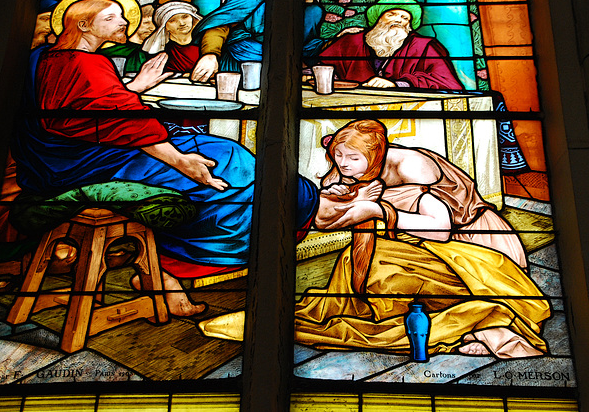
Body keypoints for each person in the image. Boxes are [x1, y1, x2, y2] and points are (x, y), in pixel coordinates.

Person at [11, 0, 318, 315]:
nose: (124, 22)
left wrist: (135, 89)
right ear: (84, 25)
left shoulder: (45, 57)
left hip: (66, 161)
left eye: (123, 16)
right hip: (93, 164)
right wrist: (181, 162)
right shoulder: (84, 62)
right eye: (112, 17)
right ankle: (171, 272)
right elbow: (117, 123)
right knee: (229, 161)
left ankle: (166, 273)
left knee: (224, 155)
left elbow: (89, 113)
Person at [199, 120, 549, 359]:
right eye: (338, 156)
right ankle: (466, 328)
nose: (344, 164)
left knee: (382, 267)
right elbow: (332, 210)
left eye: (352, 158)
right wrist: (339, 195)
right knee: (361, 266)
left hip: (473, 247)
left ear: (376, 156)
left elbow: (440, 228)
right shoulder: (352, 165)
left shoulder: (412, 170)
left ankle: (481, 328)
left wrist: (379, 211)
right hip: (422, 247)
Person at [191, 0, 344, 82]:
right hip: (236, 61)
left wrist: (339, 39)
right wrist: (210, 54)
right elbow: (221, 24)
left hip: (280, 72)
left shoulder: (315, 11)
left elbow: (307, 48)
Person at [318, 0, 464, 90]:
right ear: (378, 18)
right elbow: (322, 66)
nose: (398, 20)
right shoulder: (350, 41)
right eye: (391, 14)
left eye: (405, 18)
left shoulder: (424, 46)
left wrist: (399, 84)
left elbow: (447, 82)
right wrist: (311, 75)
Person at [142, 1, 203, 74]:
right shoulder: (162, 51)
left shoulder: (206, 44)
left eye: (185, 17)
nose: (182, 23)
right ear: (165, 27)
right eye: (172, 20)